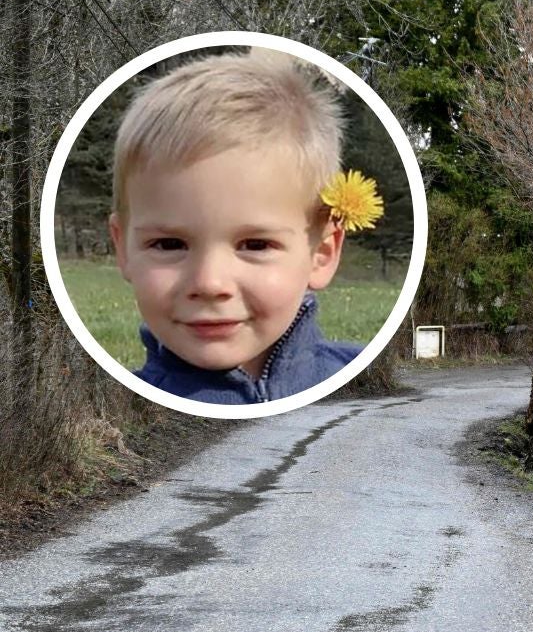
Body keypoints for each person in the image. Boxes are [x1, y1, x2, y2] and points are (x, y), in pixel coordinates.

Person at [108, 48, 383, 404]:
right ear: (123, 249)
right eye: (169, 244)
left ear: (322, 253)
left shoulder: (364, 381)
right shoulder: (123, 408)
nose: (209, 283)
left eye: (255, 245)